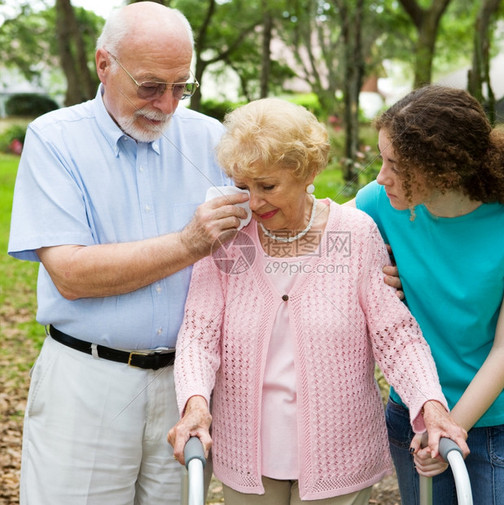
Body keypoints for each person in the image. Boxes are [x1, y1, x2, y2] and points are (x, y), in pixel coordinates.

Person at [167, 97, 468, 505]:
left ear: (308, 171)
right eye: (242, 187)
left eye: (268, 186)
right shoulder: (227, 237)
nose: (253, 203)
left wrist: (430, 403)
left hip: (339, 457)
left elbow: (395, 334)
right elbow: (199, 335)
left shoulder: (356, 234)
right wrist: (195, 405)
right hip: (246, 458)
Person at [7, 3, 250, 504]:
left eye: (181, 87)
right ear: (104, 64)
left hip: (189, 389)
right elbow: (71, 274)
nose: (166, 104)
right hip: (87, 381)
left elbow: (265, 237)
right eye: (150, 86)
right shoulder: (55, 139)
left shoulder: (212, 140)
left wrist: (363, 258)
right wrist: (189, 242)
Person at [349, 85, 504, 505]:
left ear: (443, 170)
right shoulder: (379, 202)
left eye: (396, 165)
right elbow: (319, 243)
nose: (380, 176)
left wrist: (449, 427)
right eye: (381, 159)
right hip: (417, 410)